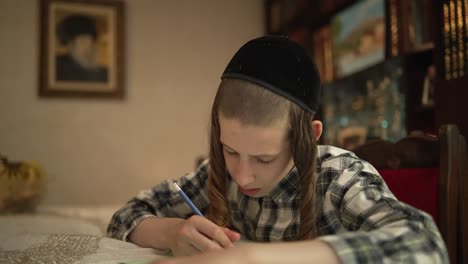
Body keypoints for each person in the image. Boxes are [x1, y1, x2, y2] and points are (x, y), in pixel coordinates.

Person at [107, 36, 448, 263]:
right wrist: (173, 232)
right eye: (230, 150)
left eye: (264, 158)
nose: (242, 175)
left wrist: (250, 258)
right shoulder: (219, 173)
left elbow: (426, 244)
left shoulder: (338, 176)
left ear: (310, 136)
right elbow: (126, 215)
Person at [55, 15, 108, 82]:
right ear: (70, 44)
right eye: (83, 42)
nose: (88, 47)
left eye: (92, 42)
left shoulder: (104, 73)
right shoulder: (57, 68)